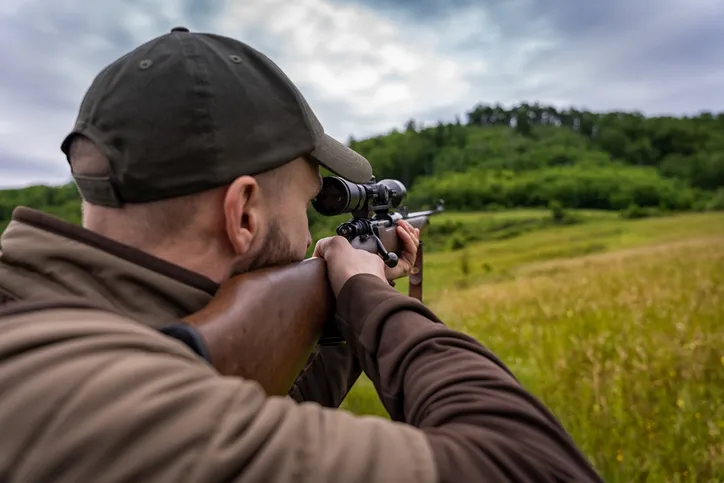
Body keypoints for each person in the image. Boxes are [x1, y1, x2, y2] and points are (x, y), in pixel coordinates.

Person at [0, 27, 603, 483]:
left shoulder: (64, 335)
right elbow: (534, 465)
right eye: (310, 204)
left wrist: (339, 321)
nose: (311, 227)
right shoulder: (94, 398)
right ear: (243, 213)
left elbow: (258, 419)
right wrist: (371, 298)